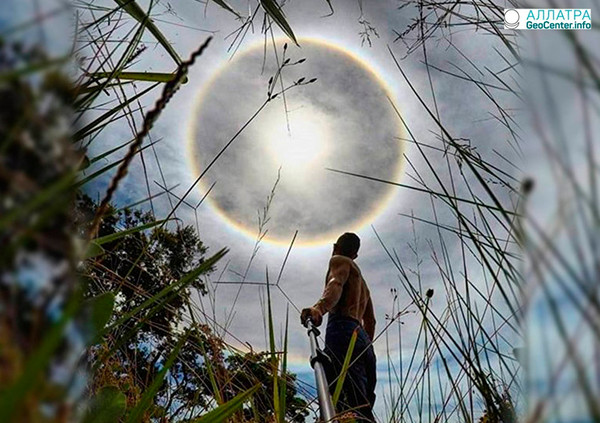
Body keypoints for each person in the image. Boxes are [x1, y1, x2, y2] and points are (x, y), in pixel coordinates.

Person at [301, 232, 377, 422]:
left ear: (335, 247)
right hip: (363, 341)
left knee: (339, 401)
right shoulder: (364, 287)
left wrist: (319, 307)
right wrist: (364, 344)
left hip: (342, 331)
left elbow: (336, 284)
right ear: (356, 255)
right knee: (361, 405)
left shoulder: (339, 260)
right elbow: (371, 321)